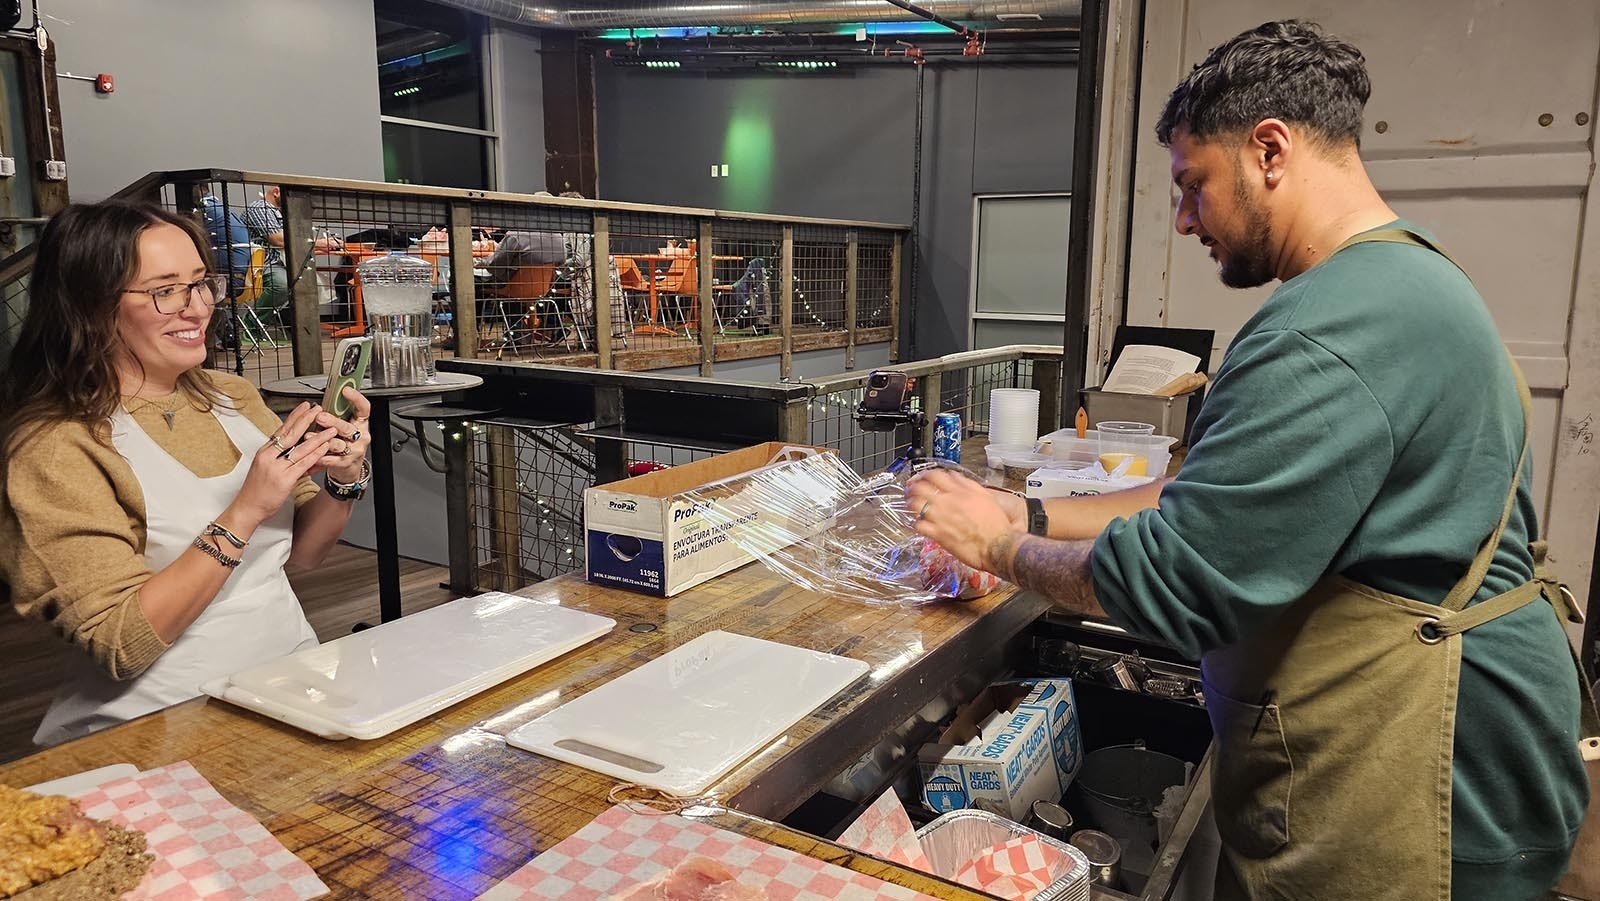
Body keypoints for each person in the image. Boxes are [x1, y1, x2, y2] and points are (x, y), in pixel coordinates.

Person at [907, 20, 1591, 900]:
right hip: (1444, 758)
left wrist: (997, 550)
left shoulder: (1332, 326)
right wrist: (1028, 512)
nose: (1186, 218)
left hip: (1427, 789)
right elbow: (1204, 496)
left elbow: (1182, 582)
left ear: (1269, 149)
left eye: (1193, 185)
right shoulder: (1400, 279)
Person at [0, 200, 374, 746]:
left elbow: (304, 554)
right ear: (90, 305)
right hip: (158, 722)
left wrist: (345, 476)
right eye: (164, 290)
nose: (197, 308)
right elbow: (120, 642)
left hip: (289, 684)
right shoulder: (56, 447)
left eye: (202, 283)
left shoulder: (233, 397)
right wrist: (246, 509)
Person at [242, 185, 290, 324]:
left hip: (281, 261)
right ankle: (251, 324)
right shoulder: (260, 208)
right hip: (262, 263)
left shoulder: (279, 212)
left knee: (305, 281)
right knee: (282, 284)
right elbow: (278, 239)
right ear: (276, 192)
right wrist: (318, 242)